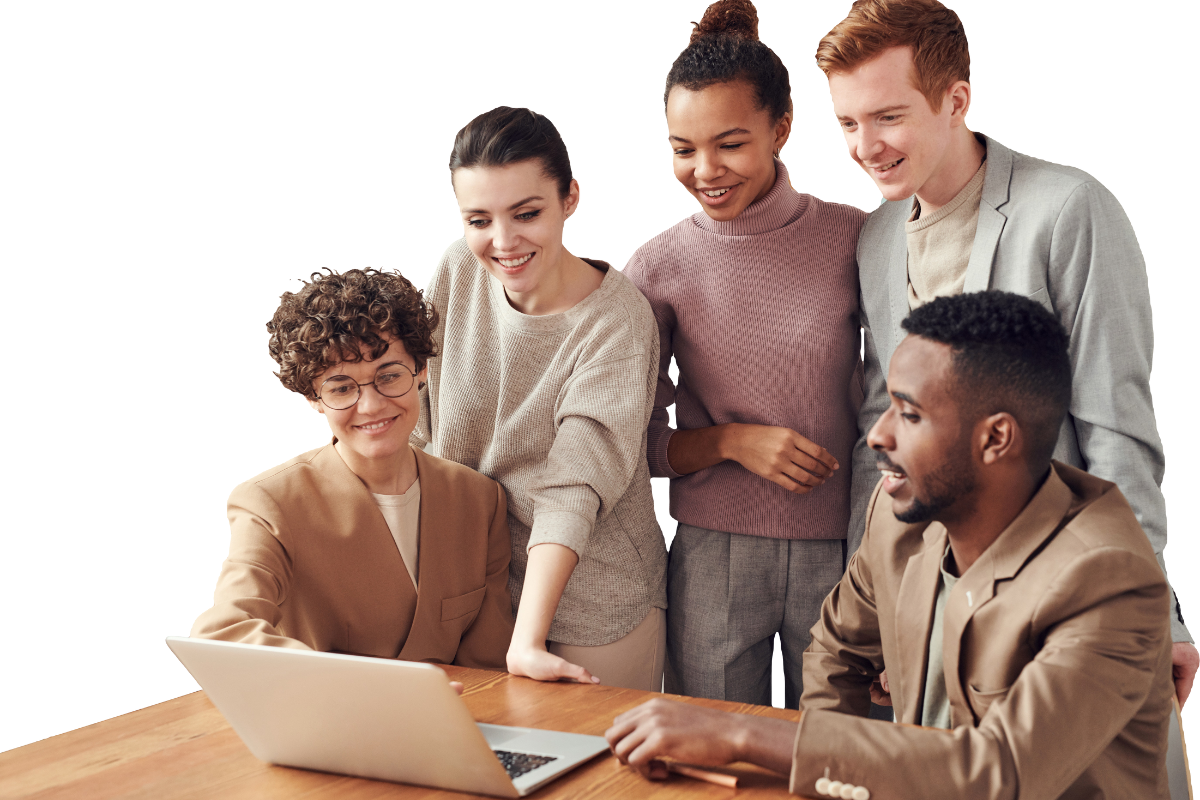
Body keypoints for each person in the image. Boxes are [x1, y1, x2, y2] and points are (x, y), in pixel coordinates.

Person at [606, 291, 1174, 799]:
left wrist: (744, 733)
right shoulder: (900, 515)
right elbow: (836, 651)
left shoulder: (1108, 578)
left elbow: (1000, 773)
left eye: (909, 414)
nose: (878, 436)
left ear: (996, 437)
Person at [815, 0, 1196, 708]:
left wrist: (1155, 612)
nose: (864, 146)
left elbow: (1118, 430)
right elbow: (885, 440)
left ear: (956, 100)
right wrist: (883, 620)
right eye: (847, 122)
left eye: (888, 117)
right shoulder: (877, 237)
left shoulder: (1069, 211)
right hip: (935, 597)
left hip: (1063, 589)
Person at [622, 0, 866, 708]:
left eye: (729, 143)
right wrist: (731, 442)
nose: (705, 170)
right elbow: (631, 444)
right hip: (710, 556)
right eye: (682, 148)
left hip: (845, 552)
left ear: (781, 127)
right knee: (715, 771)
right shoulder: (658, 267)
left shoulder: (858, 239)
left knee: (843, 762)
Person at [412, 106, 667, 691]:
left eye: (527, 213)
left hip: (595, 601)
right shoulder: (458, 270)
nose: (503, 242)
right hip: (477, 587)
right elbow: (419, 420)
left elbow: (575, 482)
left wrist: (527, 638)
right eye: (479, 219)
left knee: (599, 778)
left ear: (569, 198)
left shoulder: (617, 320)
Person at [192, 268, 514, 669]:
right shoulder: (270, 503)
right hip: (332, 725)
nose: (372, 405)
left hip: (461, 723)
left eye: (389, 376)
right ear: (314, 397)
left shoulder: (480, 500)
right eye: (342, 387)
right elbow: (225, 634)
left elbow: (490, 663)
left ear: (421, 371)